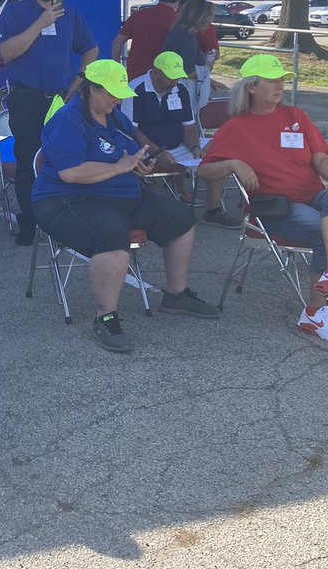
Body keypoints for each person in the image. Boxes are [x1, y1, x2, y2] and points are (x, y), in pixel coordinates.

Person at [31, 59, 219, 355]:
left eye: (120, 93)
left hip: (120, 195)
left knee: (181, 218)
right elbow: (71, 173)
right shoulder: (68, 120)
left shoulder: (115, 116)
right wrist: (120, 167)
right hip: (65, 199)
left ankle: (176, 295)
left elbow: (130, 152)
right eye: (112, 93)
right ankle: (105, 317)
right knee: (112, 233)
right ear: (93, 89)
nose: (118, 99)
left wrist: (142, 164)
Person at [197, 55, 328, 343]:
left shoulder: (295, 116)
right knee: (324, 231)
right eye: (272, 81)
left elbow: (320, 157)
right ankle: (315, 312)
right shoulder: (236, 127)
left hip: (312, 195)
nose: (280, 86)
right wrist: (233, 164)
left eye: (282, 80)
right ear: (250, 87)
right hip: (274, 207)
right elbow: (205, 171)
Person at [0, 0, 99, 246]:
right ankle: (29, 222)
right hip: (27, 99)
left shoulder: (69, 15)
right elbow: (6, 52)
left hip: (60, 100)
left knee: (65, 157)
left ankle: (62, 216)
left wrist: (79, 79)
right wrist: (40, 23)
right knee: (29, 160)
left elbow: (91, 48)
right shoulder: (17, 13)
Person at [121, 51, 243, 228]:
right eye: (170, 77)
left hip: (180, 145)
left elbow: (190, 127)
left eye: (177, 77)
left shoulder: (181, 89)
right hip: (147, 148)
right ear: (155, 72)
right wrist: (156, 152)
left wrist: (194, 147)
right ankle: (155, 199)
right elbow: (131, 130)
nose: (174, 82)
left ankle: (214, 210)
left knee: (219, 152)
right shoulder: (135, 89)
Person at [111, 0, 184, 78]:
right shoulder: (178, 22)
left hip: (134, 76)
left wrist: (118, 70)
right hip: (162, 78)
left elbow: (117, 43)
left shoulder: (138, 15)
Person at [162, 0, 214, 91]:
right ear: (202, 18)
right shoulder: (187, 37)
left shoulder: (179, 30)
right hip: (182, 87)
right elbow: (187, 72)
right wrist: (206, 71)